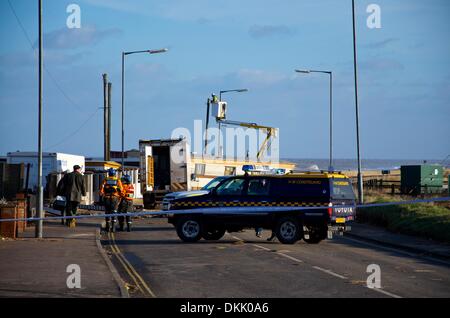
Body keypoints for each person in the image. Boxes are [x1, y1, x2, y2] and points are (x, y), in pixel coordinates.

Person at [100, 168, 123, 232]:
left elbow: (101, 189)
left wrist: (102, 195)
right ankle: (113, 227)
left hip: (106, 198)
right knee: (114, 212)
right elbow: (121, 189)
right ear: (114, 173)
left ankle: (107, 227)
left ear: (109, 173)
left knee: (107, 212)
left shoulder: (105, 179)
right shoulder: (117, 180)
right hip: (114, 198)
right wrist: (120, 196)